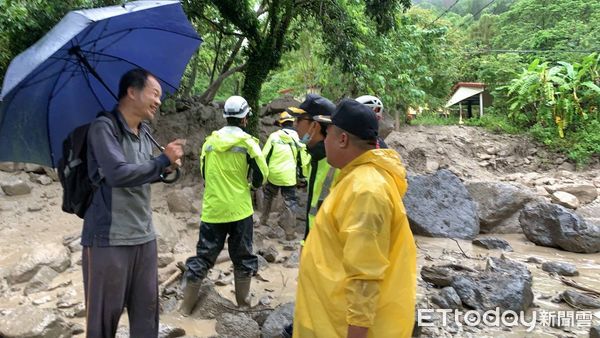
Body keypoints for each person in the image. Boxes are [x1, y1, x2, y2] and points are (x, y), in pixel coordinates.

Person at [293, 99, 416, 338]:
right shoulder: (355, 179)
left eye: (328, 133)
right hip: (328, 319)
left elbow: (365, 279)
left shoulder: (366, 191)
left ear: (342, 139)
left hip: (340, 328)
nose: (324, 140)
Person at [82, 68, 185, 338]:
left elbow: (140, 175)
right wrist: (161, 161)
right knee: (102, 323)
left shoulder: (145, 132)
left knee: (146, 317)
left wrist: (165, 170)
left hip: (144, 236)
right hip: (109, 239)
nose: (159, 101)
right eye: (154, 94)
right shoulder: (103, 128)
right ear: (131, 92)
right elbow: (117, 174)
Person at [180, 95, 268, 316]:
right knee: (243, 257)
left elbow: (203, 173)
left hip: (213, 210)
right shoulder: (248, 143)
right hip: (240, 210)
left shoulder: (209, 143)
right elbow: (261, 175)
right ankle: (243, 307)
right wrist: (249, 185)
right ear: (245, 118)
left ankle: (184, 309)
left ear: (225, 117)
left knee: (203, 257)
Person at [288, 94, 336, 242]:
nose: (295, 124)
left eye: (299, 120)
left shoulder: (335, 164)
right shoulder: (315, 158)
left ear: (315, 125)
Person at [260, 110, 309, 240]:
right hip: (289, 177)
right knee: (290, 203)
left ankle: (263, 221)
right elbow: (303, 160)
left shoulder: (274, 136)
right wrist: (303, 177)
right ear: (293, 123)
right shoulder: (298, 139)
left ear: (281, 124)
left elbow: (264, 156)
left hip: (273, 175)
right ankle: (290, 233)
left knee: (268, 196)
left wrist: (264, 175)